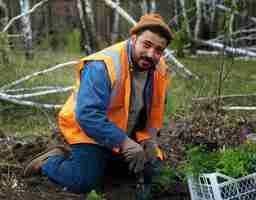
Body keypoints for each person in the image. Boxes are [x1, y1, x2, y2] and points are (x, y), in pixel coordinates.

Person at [23, 13, 173, 199]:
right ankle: (50, 161)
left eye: (159, 50)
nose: (151, 54)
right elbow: (87, 115)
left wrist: (148, 140)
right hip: (87, 130)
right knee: (83, 182)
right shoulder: (103, 65)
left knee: (155, 174)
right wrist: (125, 143)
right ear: (134, 39)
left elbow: (154, 111)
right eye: (147, 45)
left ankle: (106, 161)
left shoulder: (159, 69)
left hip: (123, 132)